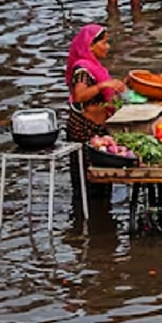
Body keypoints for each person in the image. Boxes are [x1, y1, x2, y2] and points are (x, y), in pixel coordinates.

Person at [65, 24, 127, 198]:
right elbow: (79, 96)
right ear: (90, 46)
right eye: (104, 43)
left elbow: (104, 96)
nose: (108, 47)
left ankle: (101, 210)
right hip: (85, 129)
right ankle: (86, 208)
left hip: (99, 129)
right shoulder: (82, 70)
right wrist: (103, 85)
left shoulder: (95, 67)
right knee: (87, 178)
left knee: (102, 177)